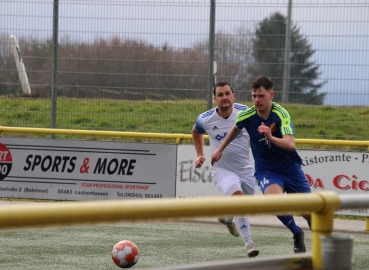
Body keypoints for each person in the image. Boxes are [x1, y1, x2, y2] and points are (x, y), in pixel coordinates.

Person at [211, 76, 312, 254]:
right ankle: (297, 233)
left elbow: (290, 144)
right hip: (267, 170)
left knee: (309, 213)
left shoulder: (281, 114)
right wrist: (219, 149)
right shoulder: (247, 115)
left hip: (290, 169)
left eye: (261, 96)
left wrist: (271, 138)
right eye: (254, 96)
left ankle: (327, 246)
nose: (257, 100)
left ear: (271, 95)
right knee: (274, 203)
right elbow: (235, 129)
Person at [192, 81, 259, 258]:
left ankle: (228, 219)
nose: (224, 97)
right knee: (239, 200)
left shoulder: (245, 111)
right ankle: (249, 244)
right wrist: (200, 154)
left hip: (246, 170)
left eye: (227, 93)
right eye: (220, 95)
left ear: (233, 96)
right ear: (214, 99)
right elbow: (195, 131)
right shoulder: (205, 118)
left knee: (243, 203)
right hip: (222, 171)